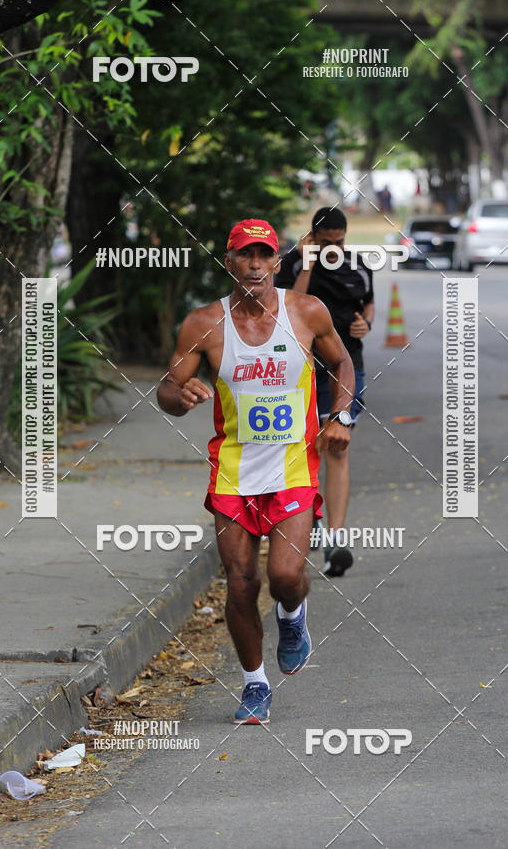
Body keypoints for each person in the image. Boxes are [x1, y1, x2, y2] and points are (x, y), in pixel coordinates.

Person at [157, 219, 355, 724]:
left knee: (285, 576)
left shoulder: (306, 312)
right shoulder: (204, 323)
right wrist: (182, 397)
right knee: (240, 582)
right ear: (229, 261)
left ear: (277, 262)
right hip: (232, 474)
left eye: (264, 255)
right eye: (245, 255)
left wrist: (341, 416)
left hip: (292, 467)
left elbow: (343, 363)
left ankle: (293, 616)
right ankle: (254, 685)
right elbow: (166, 392)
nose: (255, 264)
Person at [275, 207, 374, 576]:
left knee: (336, 450)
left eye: (340, 242)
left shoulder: (358, 264)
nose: (334, 248)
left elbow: (368, 307)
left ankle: (335, 539)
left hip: (346, 369)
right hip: (297, 371)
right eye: (325, 242)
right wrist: (307, 264)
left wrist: (367, 324)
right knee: (305, 447)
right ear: (312, 237)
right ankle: (307, 522)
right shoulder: (290, 264)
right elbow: (288, 310)